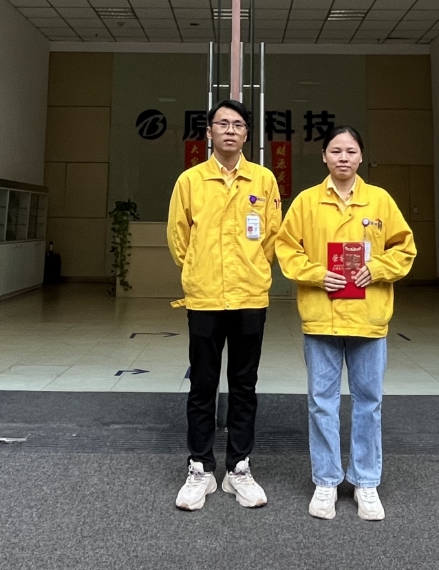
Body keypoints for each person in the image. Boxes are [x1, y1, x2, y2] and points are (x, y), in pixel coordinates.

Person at [276, 125, 415, 521]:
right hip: (321, 317)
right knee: (322, 403)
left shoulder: (380, 200)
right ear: (323, 156)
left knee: (369, 403)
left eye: (350, 151)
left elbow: (405, 248)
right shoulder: (306, 202)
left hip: (368, 318)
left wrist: (379, 268)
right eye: (335, 150)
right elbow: (286, 249)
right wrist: (317, 274)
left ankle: (366, 482)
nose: (343, 157)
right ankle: (326, 480)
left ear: (360, 156)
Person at [167, 98, 282, 511]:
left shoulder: (263, 180)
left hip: (250, 296)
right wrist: (199, 269)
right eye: (222, 124)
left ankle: (238, 469)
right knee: (202, 385)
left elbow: (272, 235)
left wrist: (251, 268)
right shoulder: (190, 181)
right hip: (205, 298)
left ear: (247, 134)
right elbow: (178, 237)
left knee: (244, 385)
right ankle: (200, 468)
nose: (230, 130)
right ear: (209, 132)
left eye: (237, 125)